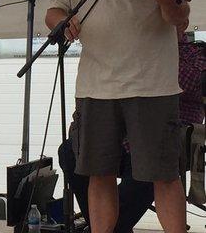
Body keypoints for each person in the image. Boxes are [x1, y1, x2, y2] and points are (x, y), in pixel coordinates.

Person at [46, 0, 190, 233]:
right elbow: (55, 9)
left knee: (164, 175)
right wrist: (63, 22)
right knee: (99, 173)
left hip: (152, 84)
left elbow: (180, 21)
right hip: (97, 85)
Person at [58, 22, 205, 232]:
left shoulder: (196, 54)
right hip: (126, 140)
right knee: (70, 152)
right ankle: (100, 222)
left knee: (148, 174)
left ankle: (113, 225)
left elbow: (192, 83)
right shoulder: (134, 50)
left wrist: (156, 56)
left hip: (165, 141)